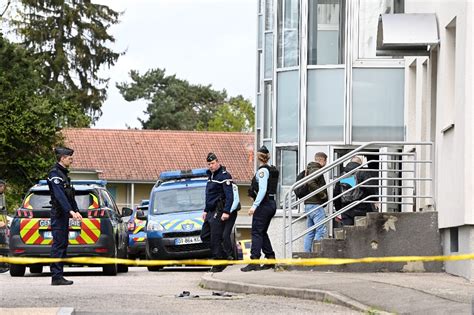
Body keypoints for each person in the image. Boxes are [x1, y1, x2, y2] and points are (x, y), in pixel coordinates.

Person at [47, 147, 83, 285]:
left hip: (64, 215)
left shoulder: (63, 174)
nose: (71, 160)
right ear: (62, 158)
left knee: (63, 243)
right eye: (69, 158)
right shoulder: (55, 174)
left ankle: (59, 275)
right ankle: (56, 276)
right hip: (58, 213)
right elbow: (60, 196)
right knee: (58, 244)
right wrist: (70, 211)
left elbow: (69, 195)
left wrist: (76, 210)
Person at [241, 145, 279, 272]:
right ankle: (270, 258)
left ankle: (254, 261)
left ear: (259, 157)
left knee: (256, 232)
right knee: (262, 232)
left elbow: (262, 190)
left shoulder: (263, 171)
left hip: (264, 204)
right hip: (271, 203)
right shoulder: (271, 169)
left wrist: (254, 206)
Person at [200, 152, 234, 273]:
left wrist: (226, 211)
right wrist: (205, 210)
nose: (211, 166)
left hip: (219, 210)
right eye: (209, 164)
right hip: (210, 211)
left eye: (213, 163)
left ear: (217, 162)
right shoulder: (210, 176)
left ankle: (218, 262)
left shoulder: (224, 176)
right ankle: (223, 255)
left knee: (215, 237)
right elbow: (208, 195)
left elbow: (230, 196)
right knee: (204, 236)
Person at [333, 156, 377, 225]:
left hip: (346, 208)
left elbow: (336, 193)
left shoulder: (343, 175)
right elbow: (369, 187)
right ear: (360, 163)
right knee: (362, 231)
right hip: (362, 207)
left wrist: (339, 209)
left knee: (348, 231)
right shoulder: (363, 172)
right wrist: (374, 200)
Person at [303, 152, 328, 252]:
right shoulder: (317, 170)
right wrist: (322, 194)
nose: (326, 164)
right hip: (315, 205)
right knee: (321, 230)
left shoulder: (309, 169)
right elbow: (311, 182)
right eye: (326, 161)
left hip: (309, 205)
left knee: (310, 232)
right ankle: (317, 255)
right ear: (322, 160)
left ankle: (307, 254)